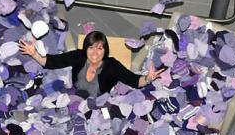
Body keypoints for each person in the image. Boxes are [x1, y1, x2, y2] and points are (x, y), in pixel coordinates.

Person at [18, 31, 164, 97]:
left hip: (99, 104)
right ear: (85, 48)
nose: (95, 53)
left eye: (100, 48)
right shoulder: (78, 56)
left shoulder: (112, 65)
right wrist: (33, 53)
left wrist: (148, 78)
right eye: (91, 47)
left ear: (105, 50)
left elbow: (134, 81)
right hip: (74, 97)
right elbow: (51, 62)